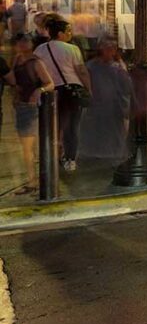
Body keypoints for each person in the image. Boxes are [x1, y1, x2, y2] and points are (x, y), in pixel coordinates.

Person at [35, 19, 91, 172]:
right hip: (71, 90)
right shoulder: (72, 49)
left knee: (53, 125)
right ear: (60, 34)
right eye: (68, 31)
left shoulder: (39, 50)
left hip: (50, 92)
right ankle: (70, 159)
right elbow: (81, 71)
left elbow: (36, 71)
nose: (70, 34)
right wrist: (89, 88)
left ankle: (51, 155)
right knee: (72, 127)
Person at [6, 33, 55, 194]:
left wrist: (38, 90)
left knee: (29, 148)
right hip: (21, 106)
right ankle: (34, 179)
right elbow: (13, 82)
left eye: (25, 42)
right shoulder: (17, 61)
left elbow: (50, 83)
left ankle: (35, 181)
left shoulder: (36, 62)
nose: (22, 45)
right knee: (27, 148)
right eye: (20, 42)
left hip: (31, 108)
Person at [79, 37, 133, 163]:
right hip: (97, 106)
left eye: (112, 48)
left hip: (112, 106)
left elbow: (127, 86)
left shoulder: (116, 68)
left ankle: (111, 155)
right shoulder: (91, 67)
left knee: (112, 132)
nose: (110, 51)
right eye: (108, 48)